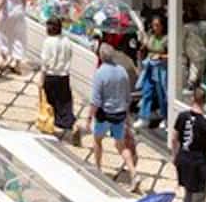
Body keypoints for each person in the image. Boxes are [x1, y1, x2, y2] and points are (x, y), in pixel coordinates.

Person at [85, 47, 137, 181]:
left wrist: (89, 118)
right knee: (121, 145)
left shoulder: (100, 73)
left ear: (101, 57)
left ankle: (98, 169)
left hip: (104, 114)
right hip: (119, 114)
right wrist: (126, 115)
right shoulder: (122, 71)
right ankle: (133, 173)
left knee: (97, 140)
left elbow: (95, 101)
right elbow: (127, 96)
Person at [39, 17, 76, 140]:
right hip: (64, 76)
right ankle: (69, 125)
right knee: (65, 102)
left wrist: (41, 79)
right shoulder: (67, 41)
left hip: (51, 75)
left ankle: (50, 127)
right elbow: (70, 56)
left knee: (50, 102)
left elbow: (45, 62)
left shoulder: (48, 42)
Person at [138, 12, 170, 129]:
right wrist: (142, 49)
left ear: (162, 26)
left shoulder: (167, 39)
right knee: (146, 92)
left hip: (161, 69)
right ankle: (143, 118)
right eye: (153, 25)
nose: (154, 27)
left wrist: (161, 56)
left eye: (157, 25)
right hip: (150, 67)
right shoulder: (151, 36)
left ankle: (166, 118)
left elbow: (173, 55)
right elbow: (146, 48)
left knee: (162, 95)